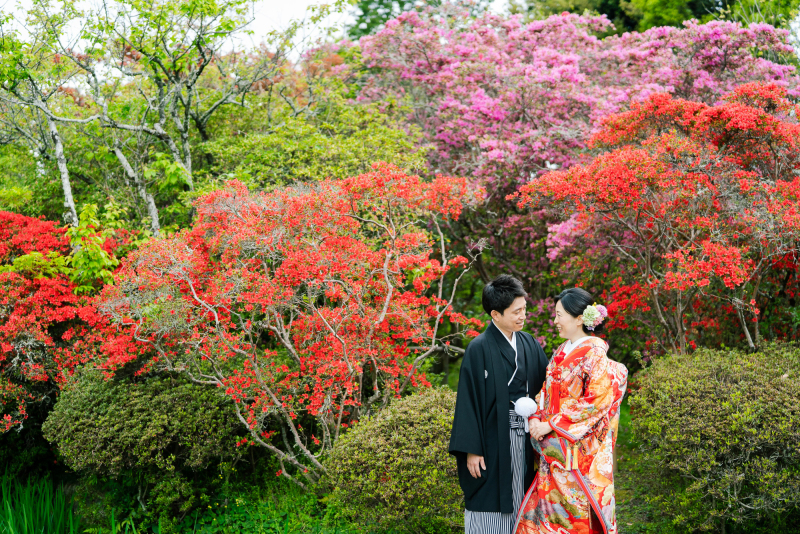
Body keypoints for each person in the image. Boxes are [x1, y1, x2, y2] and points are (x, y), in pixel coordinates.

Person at [513, 287, 628, 534]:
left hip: (576, 450)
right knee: (549, 511)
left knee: (574, 515)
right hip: (553, 448)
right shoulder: (562, 351)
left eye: (559, 315)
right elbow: (545, 392)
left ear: (579, 319)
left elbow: (597, 400)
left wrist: (552, 424)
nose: (555, 321)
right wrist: (535, 418)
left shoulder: (594, 351)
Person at [449, 275, 550, 534]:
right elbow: (468, 400)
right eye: (516, 312)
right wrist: (471, 449)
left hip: (527, 435)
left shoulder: (528, 343)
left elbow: (546, 387)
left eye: (524, 309)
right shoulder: (479, 348)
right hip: (493, 438)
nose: (522, 316)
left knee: (525, 493)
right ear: (495, 313)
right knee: (490, 493)